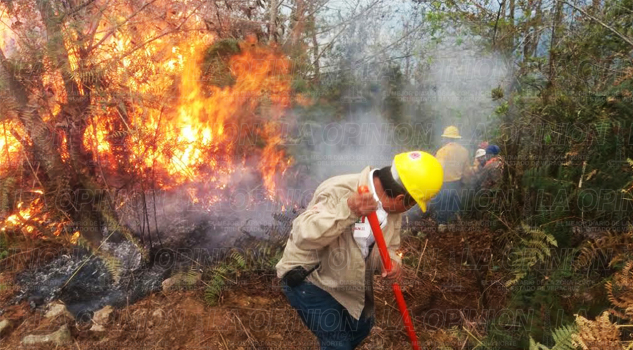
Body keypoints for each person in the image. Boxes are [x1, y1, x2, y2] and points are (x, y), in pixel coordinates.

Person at [276, 151, 444, 350]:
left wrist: (391, 264)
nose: (411, 208)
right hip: (310, 277)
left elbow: (389, 247)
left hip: (346, 277)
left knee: (362, 327)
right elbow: (304, 236)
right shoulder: (339, 189)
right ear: (400, 198)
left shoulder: (393, 211)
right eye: (414, 203)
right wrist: (348, 209)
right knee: (337, 344)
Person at [432, 126, 470, 230]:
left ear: (446, 138)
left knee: (443, 203)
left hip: (444, 183)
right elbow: (466, 170)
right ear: (457, 138)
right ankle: (452, 224)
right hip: (457, 182)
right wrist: (464, 182)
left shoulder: (442, 151)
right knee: (454, 204)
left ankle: (442, 225)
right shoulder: (464, 151)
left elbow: (438, 168)